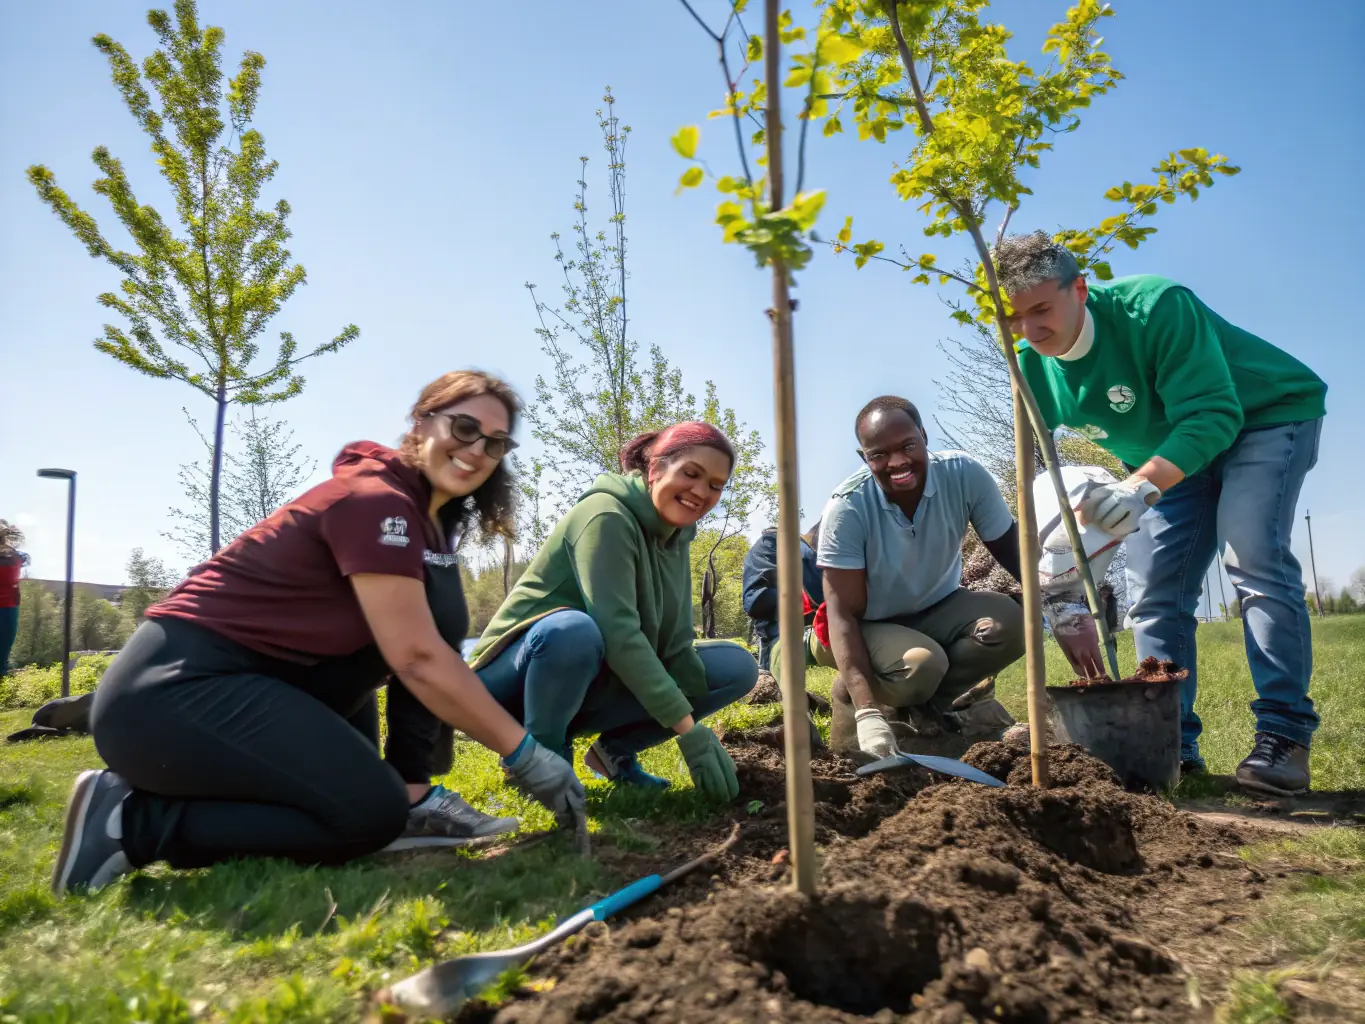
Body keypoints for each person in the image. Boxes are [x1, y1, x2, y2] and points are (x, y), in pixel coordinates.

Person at [52, 371, 586, 895]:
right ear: (422, 423)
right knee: (364, 816)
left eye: (496, 442)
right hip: (174, 693)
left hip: (269, 686)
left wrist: (411, 786)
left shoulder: (428, 522)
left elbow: (427, 648)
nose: (477, 450)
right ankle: (129, 823)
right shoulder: (375, 501)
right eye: (464, 428)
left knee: (374, 804)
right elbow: (416, 659)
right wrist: (524, 753)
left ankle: (397, 801)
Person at [995, 231, 1327, 795]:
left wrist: (1139, 489)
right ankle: (1170, 742)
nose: (1029, 330)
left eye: (1042, 310)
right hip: (1164, 461)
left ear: (1080, 288)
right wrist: (1058, 571)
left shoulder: (1155, 307)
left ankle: (1284, 736)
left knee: (1252, 554)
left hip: (1263, 418)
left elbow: (1214, 415)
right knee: (1155, 592)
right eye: (1014, 318)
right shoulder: (1029, 368)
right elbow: (1037, 479)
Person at [470, 422, 758, 799]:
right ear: (655, 469)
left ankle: (614, 752)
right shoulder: (605, 516)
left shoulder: (676, 534)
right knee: (572, 631)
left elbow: (673, 642)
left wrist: (688, 718)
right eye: (691, 473)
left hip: (586, 671)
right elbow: (618, 632)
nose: (700, 492)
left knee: (735, 667)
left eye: (716, 485)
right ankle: (537, 760)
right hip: (509, 681)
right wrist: (687, 729)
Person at [819, 396, 1025, 763]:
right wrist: (867, 710)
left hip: (937, 606)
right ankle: (854, 695)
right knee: (921, 666)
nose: (896, 462)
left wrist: (1064, 609)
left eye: (907, 446)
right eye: (878, 454)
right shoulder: (847, 507)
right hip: (869, 624)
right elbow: (842, 615)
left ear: (924, 436)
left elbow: (1017, 556)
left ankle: (938, 709)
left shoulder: (964, 475)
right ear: (864, 457)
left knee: (1011, 623)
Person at [741, 523, 824, 674]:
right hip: (778, 639)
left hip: (819, 636)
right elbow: (753, 601)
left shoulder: (816, 558)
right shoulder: (768, 545)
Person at [0, 520, 30, 674]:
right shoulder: (14, 557)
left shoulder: (12, 557)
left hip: (8, 606)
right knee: (2, 653)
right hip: (9, 607)